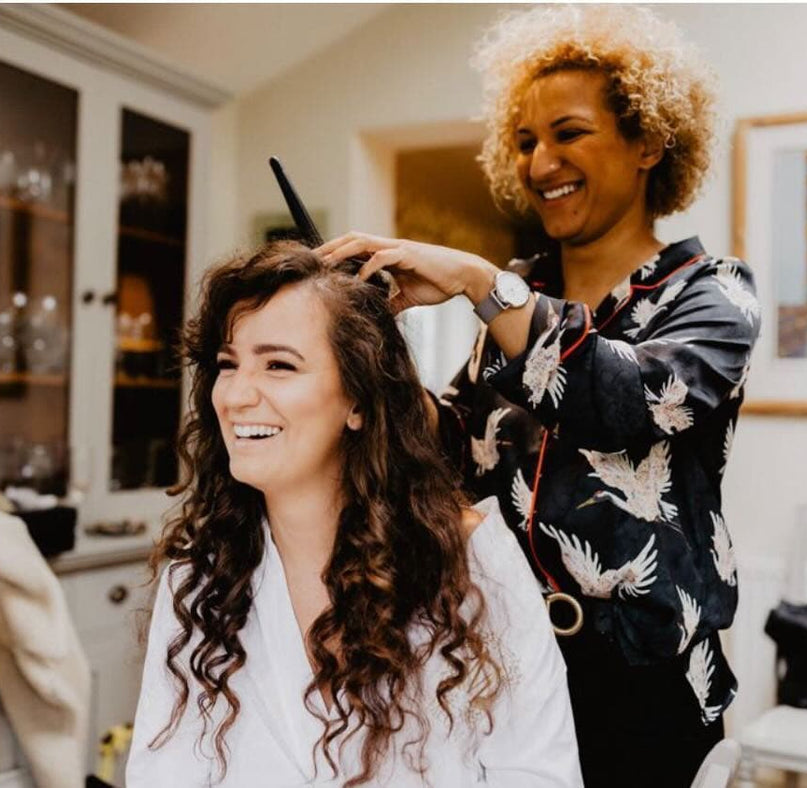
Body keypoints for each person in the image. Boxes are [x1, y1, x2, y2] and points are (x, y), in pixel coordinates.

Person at [315, 6, 759, 787]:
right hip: (503, 664)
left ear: (650, 141)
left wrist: (483, 284)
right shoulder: (520, 310)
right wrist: (375, 351)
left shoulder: (714, 293)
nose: (539, 160)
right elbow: (449, 454)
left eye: (569, 132)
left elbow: (635, 401)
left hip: (644, 692)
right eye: (523, 141)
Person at [127, 243, 582, 787]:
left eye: (278, 365)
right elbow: (162, 773)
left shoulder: (471, 566)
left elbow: (538, 775)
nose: (237, 394)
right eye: (228, 364)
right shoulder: (198, 579)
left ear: (359, 402)